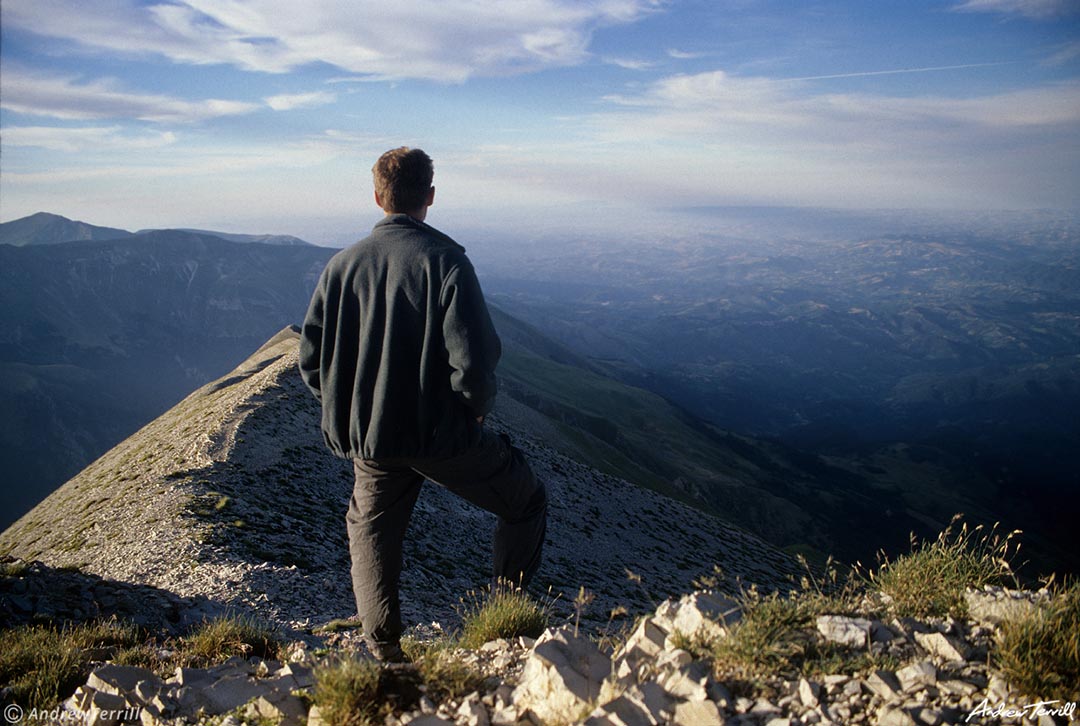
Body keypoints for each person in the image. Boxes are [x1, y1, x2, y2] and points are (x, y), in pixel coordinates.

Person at [298, 147, 547, 661]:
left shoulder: (341, 266)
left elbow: (311, 357)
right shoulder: (446, 262)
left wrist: (351, 408)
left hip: (374, 439)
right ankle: (505, 624)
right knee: (525, 502)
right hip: (440, 435)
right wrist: (475, 410)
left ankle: (383, 648)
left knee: (371, 530)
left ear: (376, 196)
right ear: (430, 196)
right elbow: (475, 359)